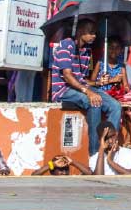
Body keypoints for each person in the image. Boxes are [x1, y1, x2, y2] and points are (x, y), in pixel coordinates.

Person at [50, 18, 121, 155]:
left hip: (79, 87)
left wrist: (99, 83)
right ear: (80, 31)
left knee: (115, 106)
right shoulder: (66, 45)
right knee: (93, 102)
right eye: (91, 32)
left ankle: (108, 146)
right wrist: (88, 92)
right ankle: (95, 153)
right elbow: (68, 76)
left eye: (95, 33)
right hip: (63, 90)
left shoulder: (87, 51)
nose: (94, 36)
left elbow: (82, 80)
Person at [90, 37, 131, 144]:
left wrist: (129, 93)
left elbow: (126, 85)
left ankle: (130, 139)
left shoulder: (121, 65)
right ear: (107, 49)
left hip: (116, 94)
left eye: (117, 48)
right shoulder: (101, 63)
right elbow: (92, 82)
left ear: (121, 50)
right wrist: (110, 80)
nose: (114, 50)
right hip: (103, 93)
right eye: (111, 48)